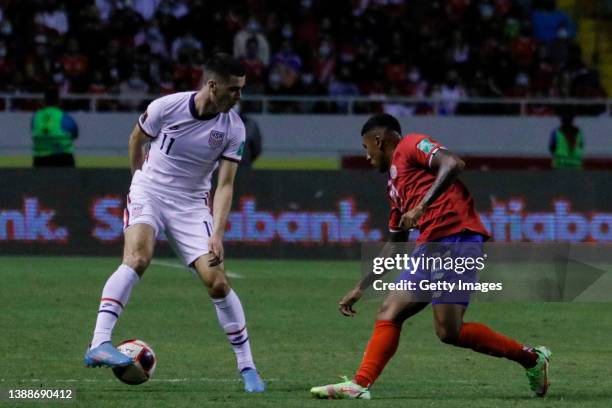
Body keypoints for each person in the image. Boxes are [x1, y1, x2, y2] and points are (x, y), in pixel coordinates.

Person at [310, 114, 551, 400]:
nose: (366, 156)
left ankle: (532, 359)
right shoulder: (393, 187)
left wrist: (422, 207)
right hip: (430, 245)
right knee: (390, 311)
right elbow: (395, 242)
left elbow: (453, 163)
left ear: (378, 140)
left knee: (449, 330)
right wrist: (361, 287)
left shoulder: (411, 145)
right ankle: (359, 385)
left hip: (457, 235)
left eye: (366, 148)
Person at [83, 53, 265, 393]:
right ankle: (99, 342)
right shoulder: (167, 107)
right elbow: (136, 139)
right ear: (212, 86)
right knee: (138, 258)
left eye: (241, 89)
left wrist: (219, 233)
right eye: (234, 89)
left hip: (192, 206)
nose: (239, 96)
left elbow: (225, 185)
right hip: (150, 189)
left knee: (217, 283)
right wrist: (139, 181)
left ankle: (248, 367)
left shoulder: (233, 128)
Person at [31, 88, 78, 167]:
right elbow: (75, 133)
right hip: (62, 157)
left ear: (44, 101)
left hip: (40, 158)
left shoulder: (36, 117)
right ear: (59, 101)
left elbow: (33, 130)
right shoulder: (63, 116)